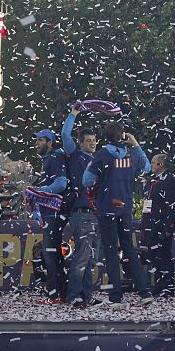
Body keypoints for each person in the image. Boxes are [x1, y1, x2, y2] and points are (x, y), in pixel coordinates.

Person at [83, 122, 153, 309]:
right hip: (124, 209)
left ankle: (116, 297)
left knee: (111, 252)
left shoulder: (101, 155)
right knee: (130, 249)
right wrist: (135, 144)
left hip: (107, 208)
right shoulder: (132, 155)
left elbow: (86, 181)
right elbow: (147, 167)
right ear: (123, 136)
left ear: (105, 136)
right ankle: (144, 293)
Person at [60, 107, 102, 308]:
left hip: (97, 214)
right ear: (80, 143)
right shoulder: (76, 156)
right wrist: (73, 114)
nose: (92, 143)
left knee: (91, 259)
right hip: (82, 213)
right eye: (88, 140)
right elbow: (65, 135)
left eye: (94, 140)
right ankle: (74, 295)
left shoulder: (99, 160)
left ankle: (87, 295)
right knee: (81, 258)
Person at [30, 128, 69, 304]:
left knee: (50, 254)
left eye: (40, 140)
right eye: (36, 140)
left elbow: (61, 183)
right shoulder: (49, 158)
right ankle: (62, 293)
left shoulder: (55, 158)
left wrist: (39, 191)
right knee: (54, 254)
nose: (37, 143)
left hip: (54, 214)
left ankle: (54, 295)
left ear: (50, 143)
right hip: (50, 213)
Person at [140, 154, 175, 298]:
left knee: (164, 255)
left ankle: (167, 288)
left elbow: (173, 206)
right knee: (154, 255)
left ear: (161, 164)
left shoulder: (170, 181)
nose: (151, 165)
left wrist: (169, 227)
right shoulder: (152, 181)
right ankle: (158, 286)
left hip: (162, 224)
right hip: (151, 223)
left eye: (153, 163)